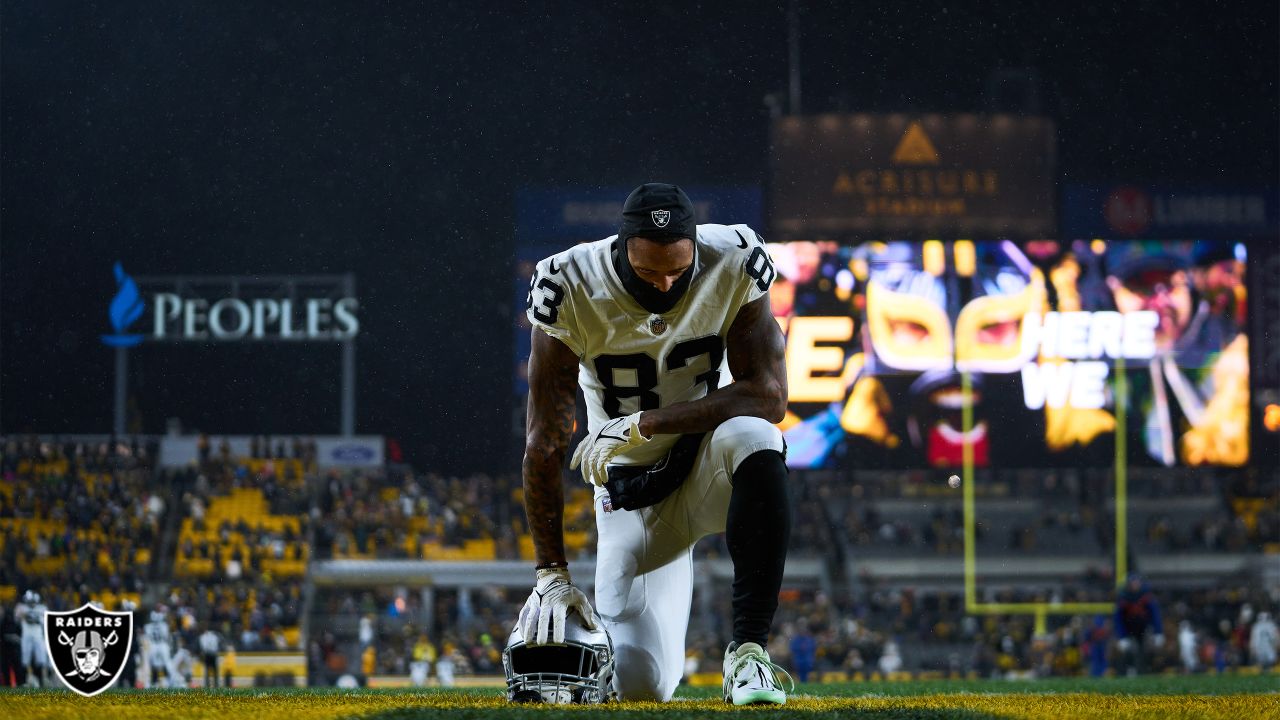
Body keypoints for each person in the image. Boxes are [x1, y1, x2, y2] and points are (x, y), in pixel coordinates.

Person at [519, 183, 792, 704]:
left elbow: (770, 395)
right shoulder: (568, 283)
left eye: (678, 271)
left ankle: (749, 654)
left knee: (757, 436)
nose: (666, 285)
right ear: (622, 250)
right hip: (633, 498)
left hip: (706, 461)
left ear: (695, 247)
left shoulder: (734, 258)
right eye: (649, 273)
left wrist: (651, 421)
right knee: (643, 686)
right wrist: (551, 571)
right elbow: (545, 440)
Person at [1114, 574, 1164, 676]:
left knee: (1147, 651)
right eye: (1133, 583)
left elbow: (1155, 615)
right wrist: (1122, 636)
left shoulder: (1147, 597)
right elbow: (1118, 619)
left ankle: (1146, 671)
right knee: (1129, 651)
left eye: (1137, 583)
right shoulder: (1124, 599)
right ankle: (1129, 670)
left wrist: (1158, 632)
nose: (1135, 586)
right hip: (1129, 629)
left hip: (1144, 629)